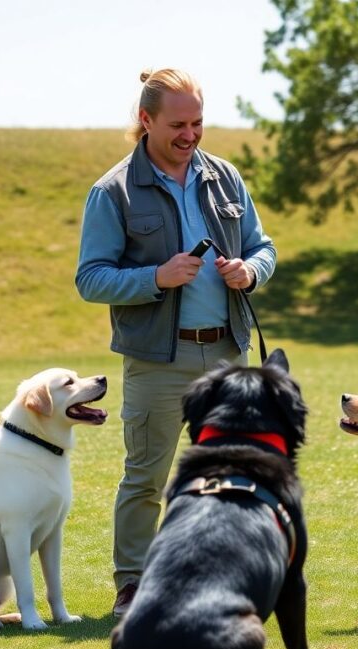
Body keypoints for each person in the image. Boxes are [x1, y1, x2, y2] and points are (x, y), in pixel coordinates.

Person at [75, 68, 277, 616]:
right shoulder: (111, 191)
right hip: (158, 361)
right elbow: (90, 278)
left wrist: (250, 272)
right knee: (145, 478)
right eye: (177, 124)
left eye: (198, 122)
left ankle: (224, 576)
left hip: (228, 355)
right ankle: (134, 586)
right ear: (145, 120)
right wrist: (154, 279)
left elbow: (264, 247)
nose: (190, 135)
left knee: (233, 475)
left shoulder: (225, 177)